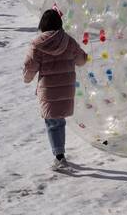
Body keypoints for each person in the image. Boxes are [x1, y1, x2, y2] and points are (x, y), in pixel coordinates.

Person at [23, 10, 88, 171]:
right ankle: (60, 155)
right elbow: (81, 60)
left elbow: (29, 66)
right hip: (66, 87)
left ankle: (60, 157)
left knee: (53, 121)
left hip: (48, 89)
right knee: (58, 120)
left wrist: (27, 78)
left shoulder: (37, 44)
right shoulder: (68, 40)